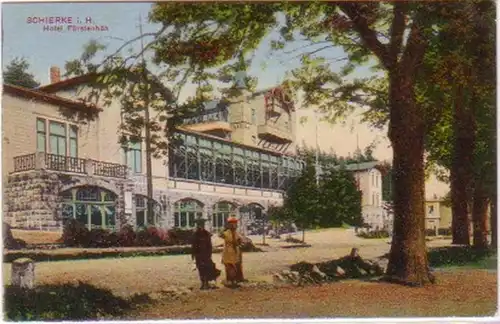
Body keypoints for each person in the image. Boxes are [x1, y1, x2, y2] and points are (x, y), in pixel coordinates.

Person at [191, 218, 220, 290]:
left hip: (206, 254)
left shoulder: (207, 233)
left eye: (202, 224)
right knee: (201, 269)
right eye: (199, 224)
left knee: (208, 268)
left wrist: (209, 254)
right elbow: (194, 245)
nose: (200, 226)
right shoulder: (195, 234)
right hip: (199, 254)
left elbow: (209, 245)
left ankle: (207, 282)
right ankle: (203, 283)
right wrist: (193, 255)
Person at [221, 216, 243, 287]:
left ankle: (233, 281)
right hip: (228, 252)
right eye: (232, 224)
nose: (234, 225)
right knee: (230, 266)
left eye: (235, 223)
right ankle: (231, 281)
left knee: (233, 266)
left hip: (233, 252)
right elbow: (220, 234)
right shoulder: (227, 233)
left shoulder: (236, 233)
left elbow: (239, 241)